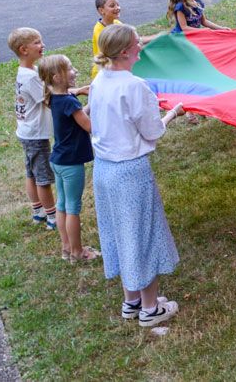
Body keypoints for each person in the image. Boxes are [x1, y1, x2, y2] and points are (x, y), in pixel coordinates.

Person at [90, 24, 185, 327]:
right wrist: (172, 114)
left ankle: (131, 300)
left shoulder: (99, 81)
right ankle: (150, 309)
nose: (141, 45)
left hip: (104, 168)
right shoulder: (135, 85)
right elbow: (152, 130)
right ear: (125, 51)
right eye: (136, 42)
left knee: (120, 231)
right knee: (142, 233)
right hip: (130, 170)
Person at [38, 55, 100, 262]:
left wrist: (90, 103)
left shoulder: (55, 98)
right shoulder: (69, 101)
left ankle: (67, 247)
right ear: (57, 77)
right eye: (71, 69)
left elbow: (78, 115)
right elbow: (89, 126)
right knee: (73, 208)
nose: (75, 72)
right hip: (72, 163)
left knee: (63, 204)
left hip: (58, 160)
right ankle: (77, 251)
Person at [7, 27, 57, 231]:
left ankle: (38, 211)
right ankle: (52, 216)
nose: (42, 45)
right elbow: (50, 99)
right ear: (24, 49)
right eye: (37, 42)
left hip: (25, 132)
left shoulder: (27, 72)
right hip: (36, 135)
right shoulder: (31, 77)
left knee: (32, 173)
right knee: (43, 178)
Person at [91, 0, 162, 78]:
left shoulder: (117, 23)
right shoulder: (100, 31)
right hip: (105, 72)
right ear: (101, 10)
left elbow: (133, 40)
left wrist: (156, 37)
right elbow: (118, 51)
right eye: (112, 6)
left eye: (118, 5)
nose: (117, 8)